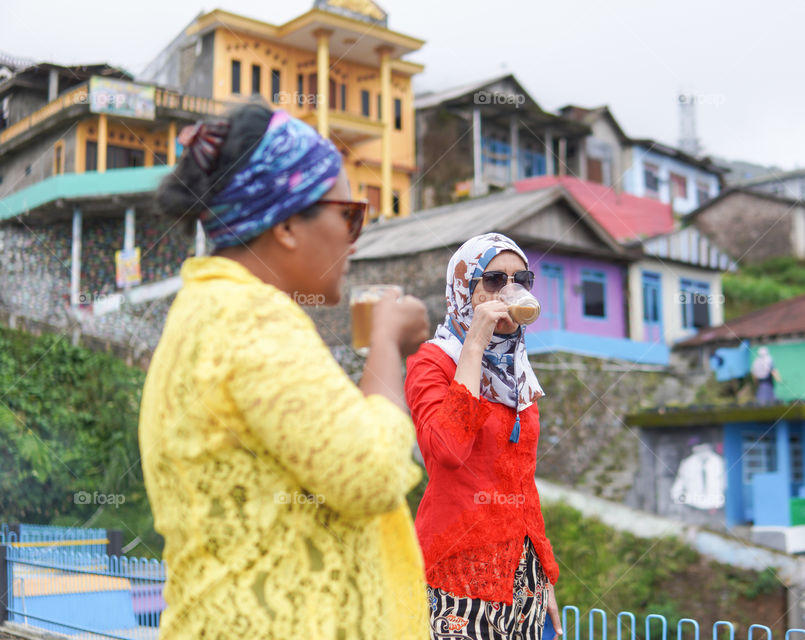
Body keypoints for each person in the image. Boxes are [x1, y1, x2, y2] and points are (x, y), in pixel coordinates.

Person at [140, 103, 431, 639]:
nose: (354, 238)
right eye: (348, 214)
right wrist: (388, 344)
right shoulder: (251, 317)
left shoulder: (207, 309)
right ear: (290, 224)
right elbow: (370, 474)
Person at [404, 233, 562, 640]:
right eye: (493, 281)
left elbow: (522, 479)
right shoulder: (431, 364)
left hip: (522, 571)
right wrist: (474, 341)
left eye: (520, 279)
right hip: (459, 572)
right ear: (463, 289)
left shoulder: (517, 369)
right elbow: (447, 452)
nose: (509, 290)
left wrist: (541, 567)